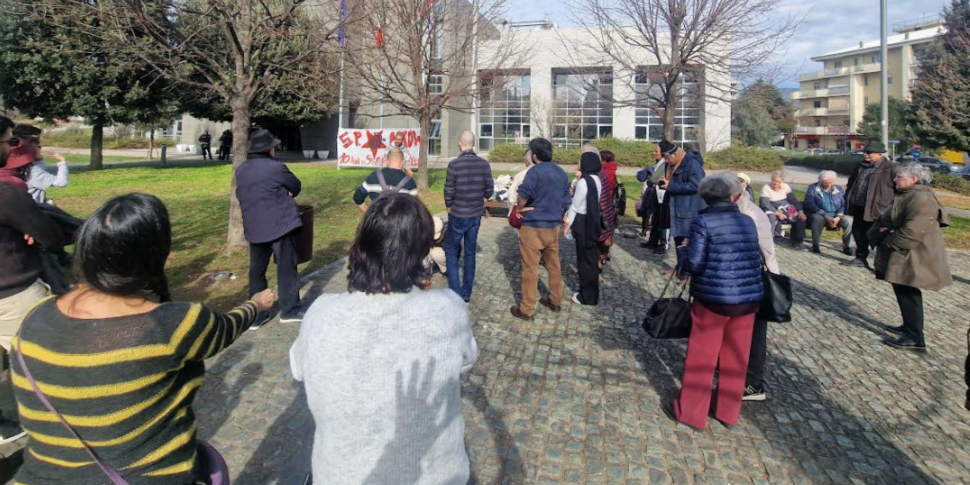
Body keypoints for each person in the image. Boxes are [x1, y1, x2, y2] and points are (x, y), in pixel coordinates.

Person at [10, 193, 274, 484]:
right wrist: (257, 304)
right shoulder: (173, 325)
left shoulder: (35, 318)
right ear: (155, 254)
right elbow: (225, 328)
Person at [290, 194, 477, 484]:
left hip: (340, 474)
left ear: (362, 244)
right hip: (436, 475)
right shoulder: (450, 309)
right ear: (423, 251)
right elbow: (466, 359)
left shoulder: (320, 313)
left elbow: (298, 367)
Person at [663, 175, 763, 430]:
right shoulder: (747, 221)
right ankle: (727, 412)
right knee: (736, 358)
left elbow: (694, 264)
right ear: (733, 196)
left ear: (704, 197)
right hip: (747, 298)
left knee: (702, 357)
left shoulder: (703, 221)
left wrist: (684, 249)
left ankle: (691, 413)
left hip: (713, 298)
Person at [0, 115, 63, 443]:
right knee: (40, 363)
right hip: (13, 295)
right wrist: (32, 232)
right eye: (10, 141)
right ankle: (44, 433)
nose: (13, 148)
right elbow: (49, 235)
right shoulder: (6, 194)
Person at [871, 163, 951, 352]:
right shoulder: (910, 194)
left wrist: (889, 240)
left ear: (913, 179)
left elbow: (913, 230)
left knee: (908, 290)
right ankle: (909, 326)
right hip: (904, 250)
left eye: (899, 177)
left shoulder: (921, 198)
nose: (894, 179)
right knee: (902, 288)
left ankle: (915, 337)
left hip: (913, 252)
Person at [235, 129, 305, 326]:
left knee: (256, 270)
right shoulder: (276, 168)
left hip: (254, 226)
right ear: (269, 150)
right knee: (286, 268)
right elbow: (296, 186)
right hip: (280, 224)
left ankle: (257, 315)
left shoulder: (241, 169)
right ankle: (289, 310)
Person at [510, 138, 570, 321]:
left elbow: (523, 193)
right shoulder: (561, 173)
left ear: (534, 156)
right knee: (554, 265)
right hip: (552, 226)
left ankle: (527, 309)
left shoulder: (534, 172)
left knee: (530, 268)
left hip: (533, 226)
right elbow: (567, 200)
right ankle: (556, 299)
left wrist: (520, 207)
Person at [733, 172, 780, 403]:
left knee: (754, 334)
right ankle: (733, 370)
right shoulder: (742, 210)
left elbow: (757, 252)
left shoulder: (748, 214)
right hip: (746, 279)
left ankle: (753, 383)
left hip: (757, 278)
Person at [443, 130, 493, 303]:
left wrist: (449, 206)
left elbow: (449, 190)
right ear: (474, 144)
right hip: (475, 215)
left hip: (457, 214)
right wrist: (481, 200)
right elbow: (489, 189)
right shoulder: (484, 164)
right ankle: (466, 292)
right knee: (470, 253)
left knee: (451, 251)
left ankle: (455, 292)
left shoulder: (454, 165)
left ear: (459, 143)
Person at [844, 141, 897, 269]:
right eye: (865, 152)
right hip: (859, 207)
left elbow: (898, 189)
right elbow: (851, 183)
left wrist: (891, 208)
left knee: (878, 236)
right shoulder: (860, 166)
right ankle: (860, 257)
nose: (865, 155)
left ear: (880, 154)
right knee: (858, 233)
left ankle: (882, 264)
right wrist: (848, 196)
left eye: (869, 153)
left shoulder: (891, 168)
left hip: (878, 209)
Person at [658, 140, 706, 269]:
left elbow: (698, 185)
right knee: (678, 239)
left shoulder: (692, 164)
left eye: (667, 158)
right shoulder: (671, 165)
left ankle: (687, 272)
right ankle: (680, 268)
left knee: (687, 241)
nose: (666, 161)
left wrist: (671, 186)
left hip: (689, 209)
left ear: (674, 154)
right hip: (675, 208)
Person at [565, 152, 603, 306]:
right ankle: (590, 293)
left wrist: (567, 225)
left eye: (580, 160)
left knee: (584, 261)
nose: (578, 163)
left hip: (582, 221)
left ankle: (586, 296)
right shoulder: (597, 179)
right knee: (591, 259)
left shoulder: (583, 182)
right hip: (593, 221)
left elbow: (575, 206)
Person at [9, 124, 69, 205]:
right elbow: (61, 182)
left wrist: (39, 159)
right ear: (30, 146)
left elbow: (38, 170)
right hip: (31, 212)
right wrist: (62, 162)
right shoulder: (31, 171)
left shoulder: (11, 164)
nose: (40, 148)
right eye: (38, 144)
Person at [353, 148, 419, 212]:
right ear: (403, 162)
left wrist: (369, 215)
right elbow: (415, 207)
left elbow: (357, 197)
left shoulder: (373, 176)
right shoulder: (410, 182)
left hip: (377, 222)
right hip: (400, 222)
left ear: (387, 161)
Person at [804, 170, 853, 255]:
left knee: (849, 221)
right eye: (827, 182)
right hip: (820, 213)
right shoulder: (813, 188)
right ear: (820, 180)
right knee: (817, 219)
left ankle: (847, 246)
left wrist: (838, 217)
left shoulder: (839, 189)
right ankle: (815, 244)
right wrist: (825, 215)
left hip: (836, 215)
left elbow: (843, 205)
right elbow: (809, 203)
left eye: (832, 182)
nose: (830, 184)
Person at [760, 171, 807, 249]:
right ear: (771, 180)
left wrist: (800, 212)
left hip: (785, 205)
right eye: (774, 181)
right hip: (771, 206)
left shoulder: (786, 187)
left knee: (797, 216)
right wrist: (778, 214)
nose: (776, 184)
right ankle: (769, 241)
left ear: (782, 182)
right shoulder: (766, 187)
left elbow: (793, 200)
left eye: (779, 182)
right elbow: (765, 204)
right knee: (771, 217)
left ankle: (798, 240)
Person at [639, 145, 666, 249]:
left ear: (663, 153)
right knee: (655, 218)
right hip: (655, 193)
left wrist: (650, 177)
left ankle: (662, 244)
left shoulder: (665, 164)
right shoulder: (658, 163)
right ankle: (652, 241)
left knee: (661, 220)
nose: (653, 153)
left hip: (661, 195)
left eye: (656, 151)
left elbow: (654, 179)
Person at [597, 152, 617, 269]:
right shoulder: (612, 169)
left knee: (601, 231)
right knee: (609, 229)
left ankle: (599, 258)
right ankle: (606, 253)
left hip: (604, 204)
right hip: (611, 205)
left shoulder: (603, 171)